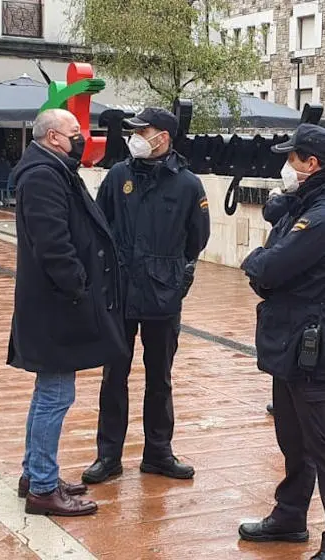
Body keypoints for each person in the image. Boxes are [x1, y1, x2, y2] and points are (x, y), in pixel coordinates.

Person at [237, 124, 325, 560]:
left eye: (292, 158)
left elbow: (269, 266)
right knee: (293, 438)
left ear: (312, 163)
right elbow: (277, 254)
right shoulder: (307, 206)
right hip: (291, 339)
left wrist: (255, 261)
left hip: (314, 343)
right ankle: (290, 516)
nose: (286, 166)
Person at [7, 109, 127, 517]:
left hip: (55, 303)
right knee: (56, 395)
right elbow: (53, 243)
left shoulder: (54, 168)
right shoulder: (43, 176)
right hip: (57, 306)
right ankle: (42, 487)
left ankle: (35, 473)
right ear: (55, 137)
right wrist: (78, 286)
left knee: (49, 393)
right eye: (76, 133)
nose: (83, 138)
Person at [82, 107, 211, 485]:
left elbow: (197, 238)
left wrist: (173, 276)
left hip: (161, 295)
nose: (136, 136)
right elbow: (99, 225)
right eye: (135, 130)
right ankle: (108, 456)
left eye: (144, 130)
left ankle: (158, 453)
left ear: (164, 138)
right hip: (120, 293)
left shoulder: (188, 184)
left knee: (160, 378)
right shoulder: (119, 175)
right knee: (113, 375)